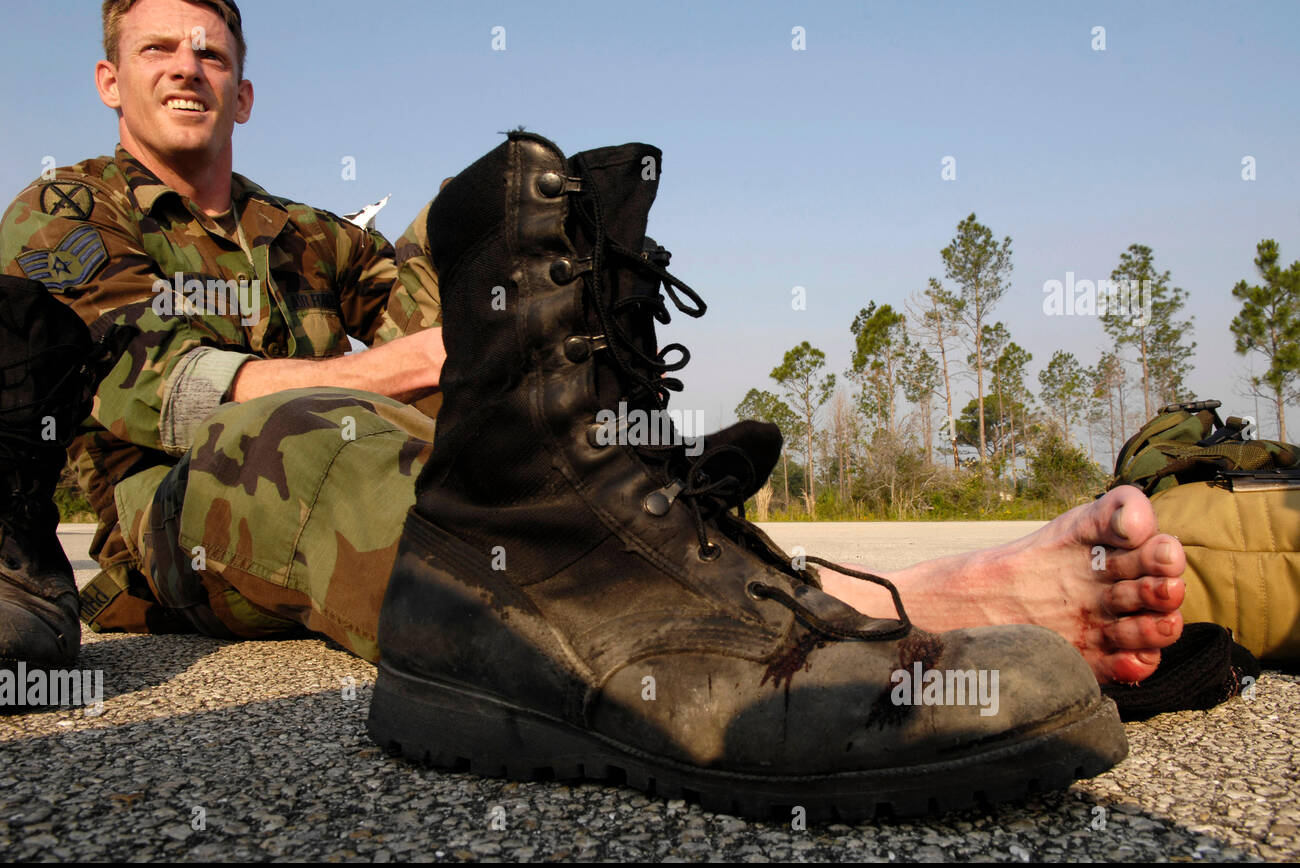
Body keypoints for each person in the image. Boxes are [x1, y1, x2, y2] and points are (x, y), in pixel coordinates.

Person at [0, 0, 1185, 689]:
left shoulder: (303, 235)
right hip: (169, 515)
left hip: (345, 440)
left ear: (244, 92)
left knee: (492, 211)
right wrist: (400, 367)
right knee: (309, 425)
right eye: (158, 50)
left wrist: (506, 298)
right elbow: (152, 387)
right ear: (112, 78)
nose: (187, 69)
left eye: (211, 52)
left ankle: (705, 554)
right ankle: (847, 614)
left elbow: (440, 323)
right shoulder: (66, 211)